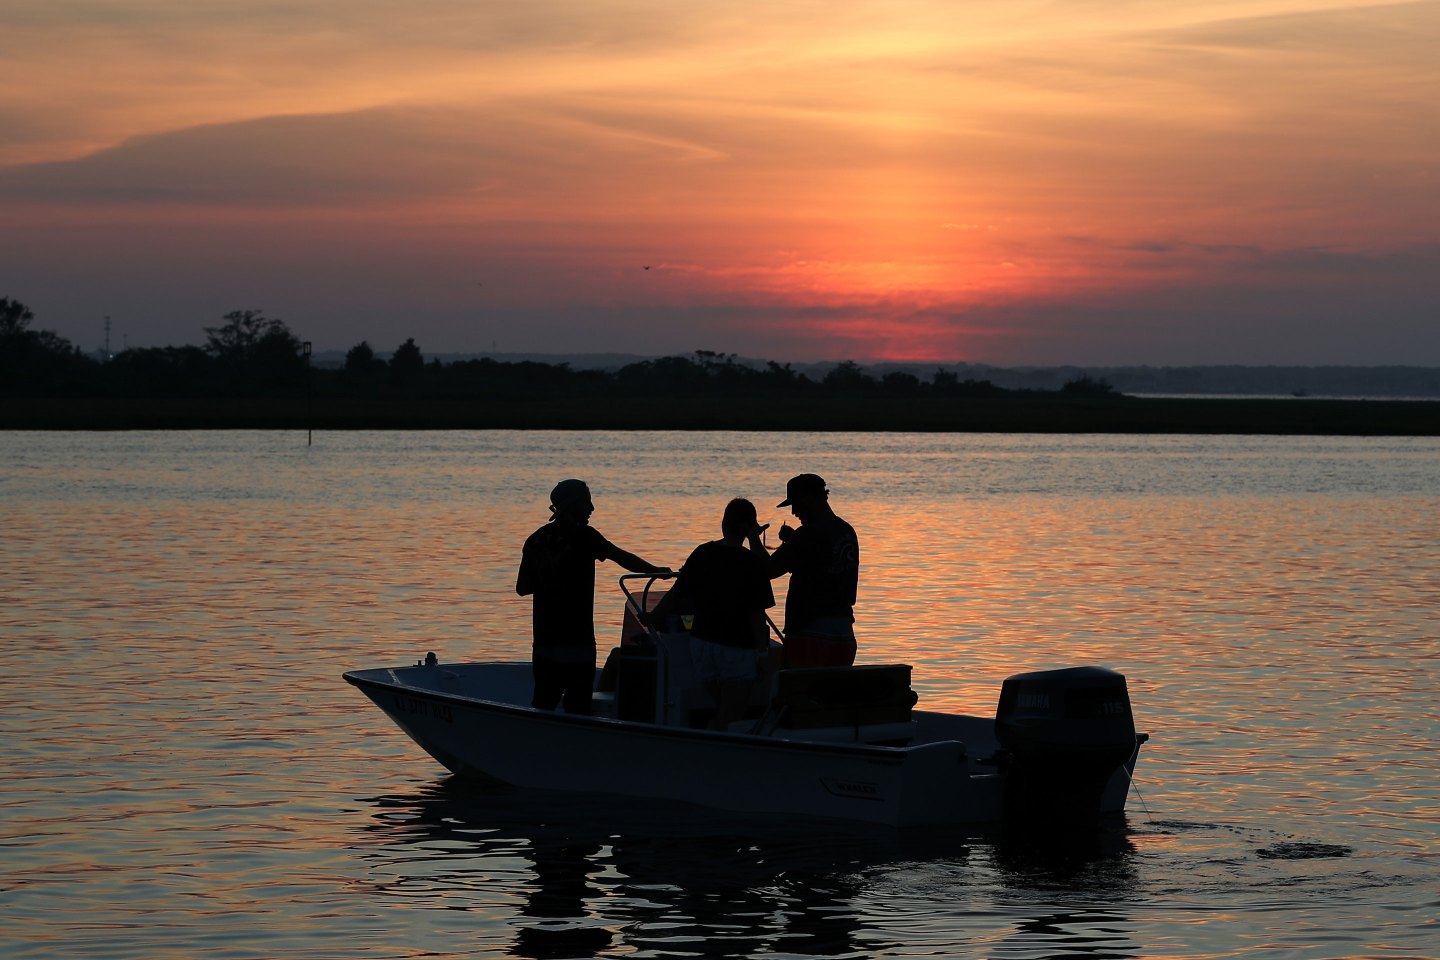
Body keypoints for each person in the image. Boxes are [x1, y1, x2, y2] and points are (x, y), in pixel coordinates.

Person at [516, 479, 668, 714]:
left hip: (545, 642)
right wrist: (655, 571)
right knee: (578, 707)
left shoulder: (536, 540)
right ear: (571, 505)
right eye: (586, 502)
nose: (592, 508)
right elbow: (622, 557)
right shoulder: (586, 537)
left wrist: (548, 575)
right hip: (579, 641)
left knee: (544, 704)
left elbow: (522, 587)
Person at [648, 498, 775, 730]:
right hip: (736, 648)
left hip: (702, 646)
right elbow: (756, 614)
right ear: (749, 527)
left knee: (723, 708)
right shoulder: (751, 562)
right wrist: (762, 653)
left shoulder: (702, 553)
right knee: (732, 717)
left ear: (724, 523)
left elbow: (677, 592)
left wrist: (653, 618)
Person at [766, 473, 859, 667]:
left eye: (796, 504)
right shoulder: (846, 530)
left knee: (800, 693)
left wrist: (753, 538)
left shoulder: (807, 534)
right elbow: (822, 556)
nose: (793, 512)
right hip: (844, 634)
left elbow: (768, 571)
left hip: (810, 634)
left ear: (808, 499)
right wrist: (793, 540)